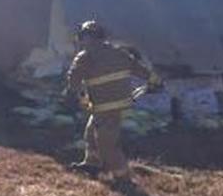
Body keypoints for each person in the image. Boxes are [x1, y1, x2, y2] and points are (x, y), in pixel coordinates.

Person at [64, 20, 157, 179]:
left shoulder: (85, 57)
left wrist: (71, 95)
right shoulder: (119, 53)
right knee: (91, 132)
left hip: (105, 106)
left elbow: (73, 81)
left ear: (84, 38)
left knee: (106, 143)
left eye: (82, 38)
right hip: (115, 104)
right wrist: (154, 80)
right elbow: (138, 69)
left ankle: (122, 176)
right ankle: (92, 163)